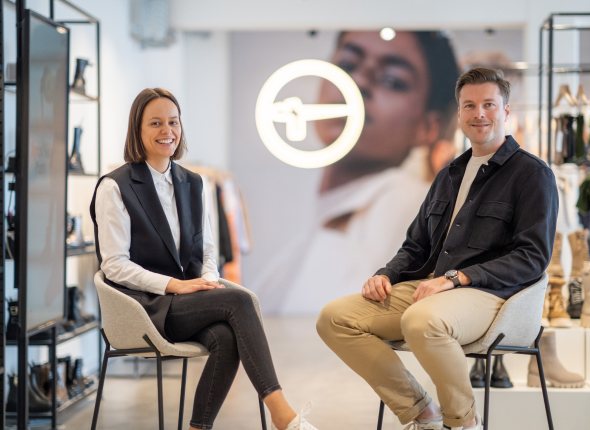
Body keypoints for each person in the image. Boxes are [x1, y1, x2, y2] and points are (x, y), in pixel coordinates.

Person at [317, 68, 558, 429]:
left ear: (506, 112)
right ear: (459, 114)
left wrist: (457, 278)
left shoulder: (532, 174)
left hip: (491, 294)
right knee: (335, 319)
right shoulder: (449, 174)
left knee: (422, 321)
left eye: (489, 105)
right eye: (470, 105)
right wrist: (386, 274)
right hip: (431, 286)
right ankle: (421, 412)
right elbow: (416, 244)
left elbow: (532, 258)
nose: (479, 114)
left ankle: (463, 421)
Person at [89, 88, 317, 430]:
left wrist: (207, 281)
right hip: (147, 306)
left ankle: (199, 428)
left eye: (173, 122)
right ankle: (282, 414)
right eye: (155, 123)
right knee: (239, 302)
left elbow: (207, 248)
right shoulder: (116, 186)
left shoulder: (193, 183)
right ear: (137, 130)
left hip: (187, 299)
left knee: (226, 339)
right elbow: (114, 265)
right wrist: (176, 286)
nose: (167, 131)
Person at [254, 31, 461, 314]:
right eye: (348, 66)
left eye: (392, 81)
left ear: (429, 126)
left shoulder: (402, 200)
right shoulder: (319, 214)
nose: (358, 83)